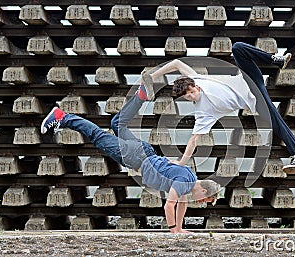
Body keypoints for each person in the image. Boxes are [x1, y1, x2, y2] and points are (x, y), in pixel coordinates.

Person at [40, 86, 221, 234]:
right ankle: (63, 117)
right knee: (96, 135)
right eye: (202, 200)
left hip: (145, 151)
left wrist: (181, 229)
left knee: (117, 124)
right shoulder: (184, 183)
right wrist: (174, 230)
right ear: (204, 191)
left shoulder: (189, 177)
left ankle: (141, 95)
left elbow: (181, 205)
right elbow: (169, 206)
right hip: (135, 156)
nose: (198, 202)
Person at [143, 43, 295, 174]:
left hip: (249, 78)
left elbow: (177, 63)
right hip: (254, 98)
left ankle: (276, 60)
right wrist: (181, 162)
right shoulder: (204, 112)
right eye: (188, 97)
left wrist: (152, 76)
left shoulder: (197, 78)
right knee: (277, 123)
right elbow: (194, 139)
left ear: (195, 86)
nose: (192, 96)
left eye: (192, 92)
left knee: (238, 48)